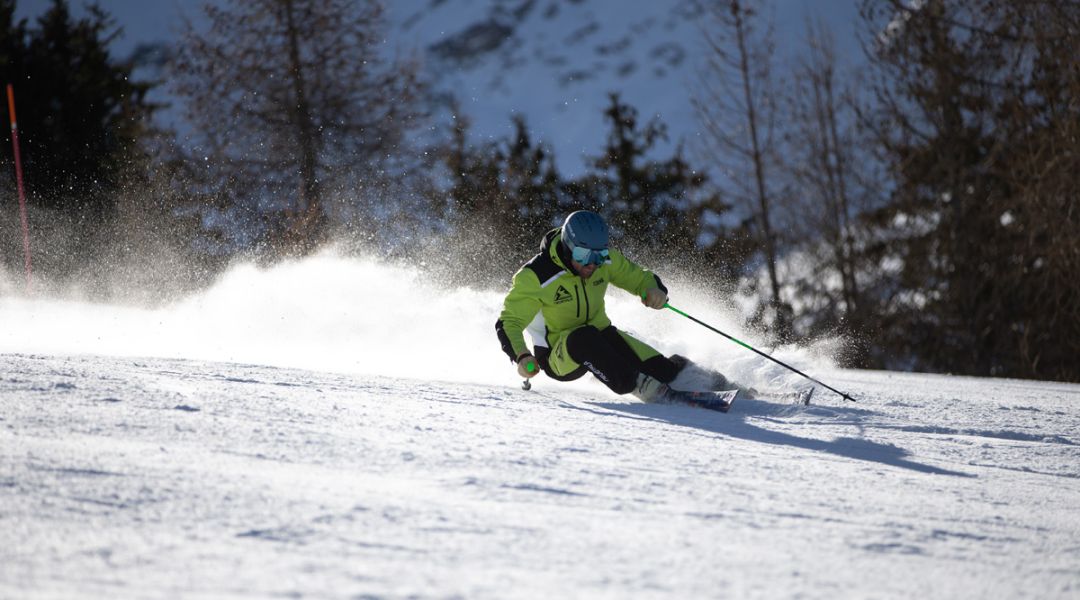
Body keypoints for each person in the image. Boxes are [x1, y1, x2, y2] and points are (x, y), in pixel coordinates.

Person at [495, 210, 705, 404]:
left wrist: (653, 290)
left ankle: (711, 383)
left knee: (664, 370)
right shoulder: (536, 276)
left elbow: (638, 277)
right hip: (559, 354)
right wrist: (522, 356)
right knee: (584, 338)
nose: (592, 264)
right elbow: (508, 323)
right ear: (567, 246)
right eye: (583, 255)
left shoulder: (603, 261)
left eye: (599, 255)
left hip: (602, 336)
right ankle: (644, 388)